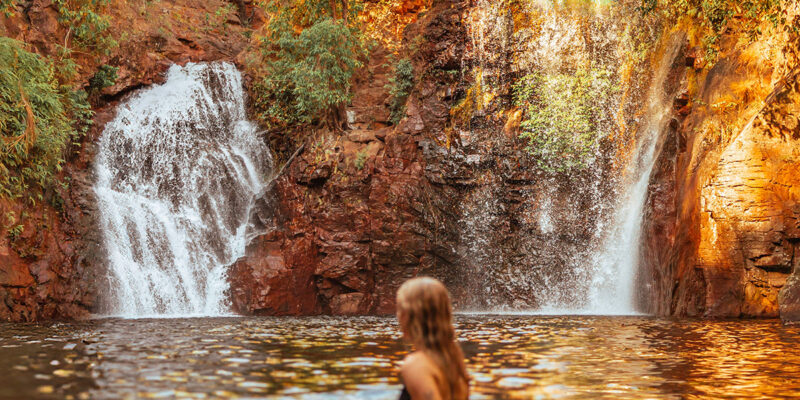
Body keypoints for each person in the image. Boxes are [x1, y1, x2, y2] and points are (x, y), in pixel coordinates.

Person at [395, 277, 469, 400]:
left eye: (399, 309)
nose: (398, 316)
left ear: (409, 315)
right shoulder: (454, 360)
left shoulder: (416, 364)